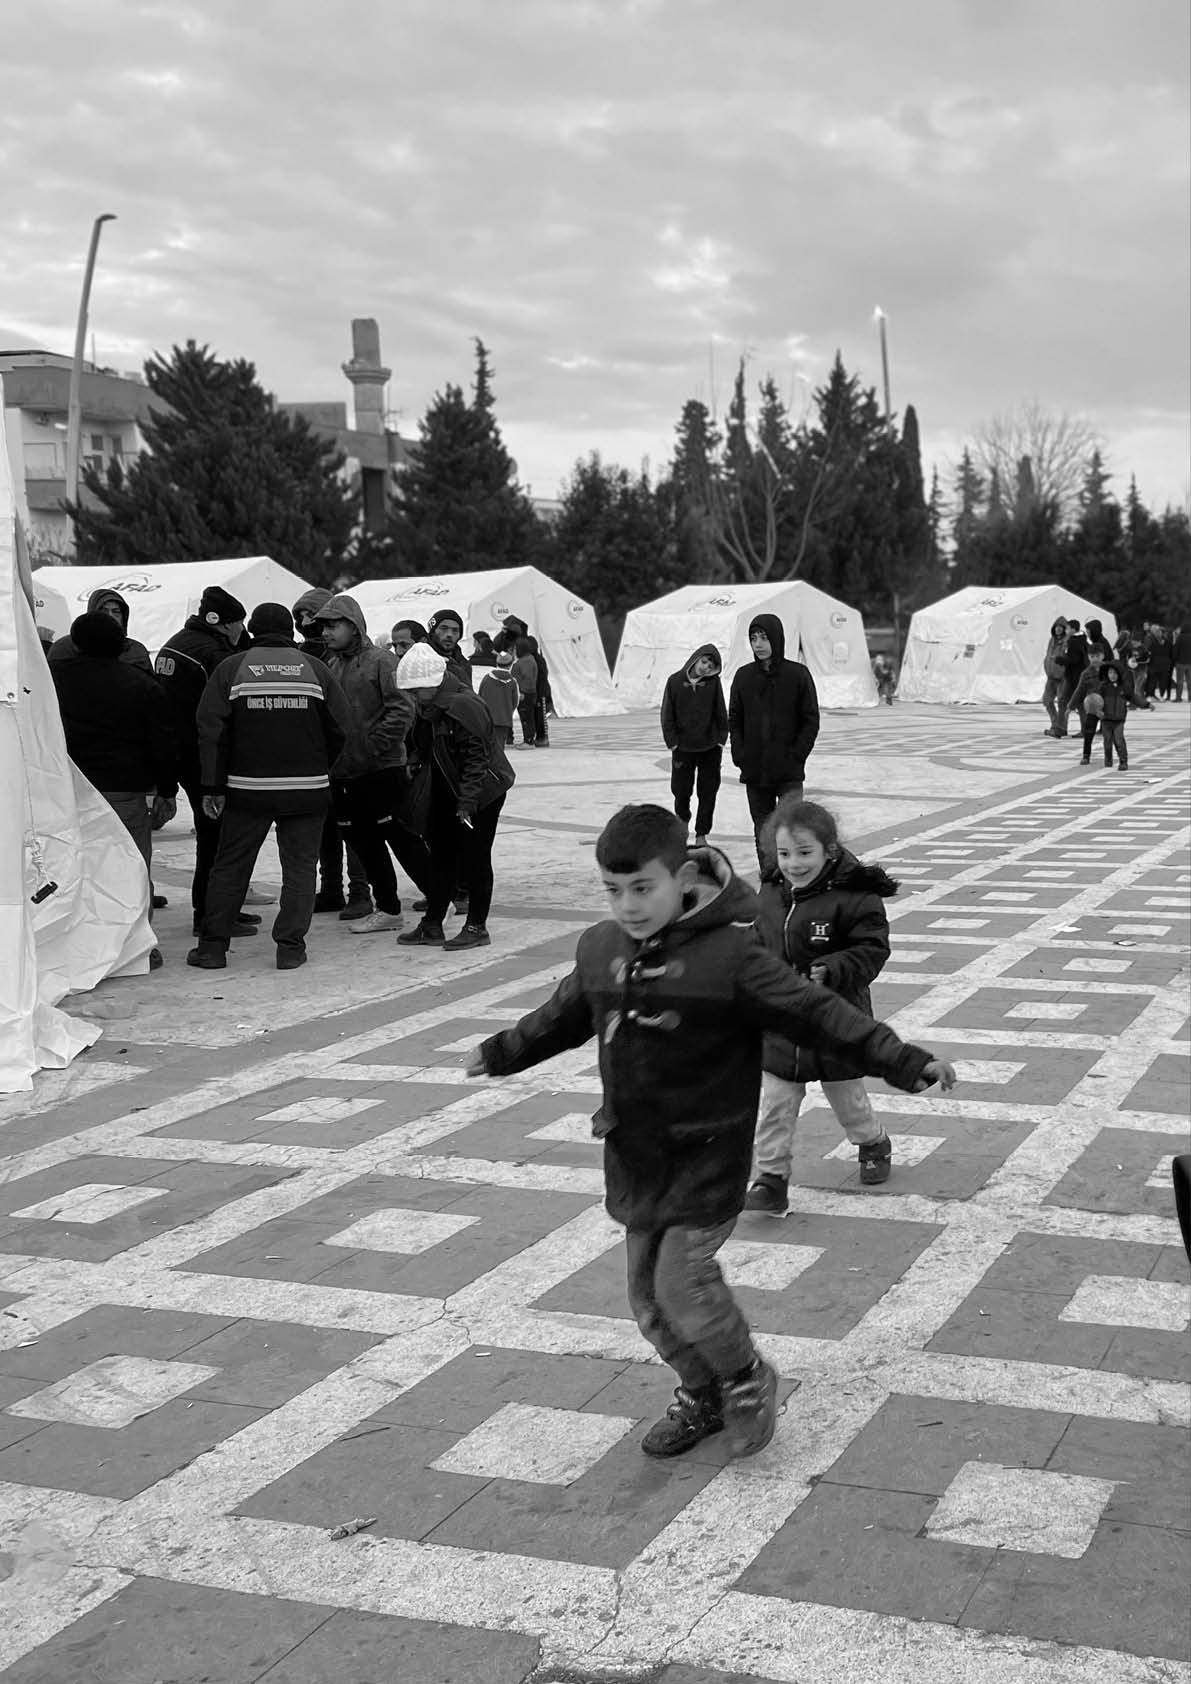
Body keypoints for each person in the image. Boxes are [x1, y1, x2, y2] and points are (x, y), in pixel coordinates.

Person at [465, 805, 955, 1460]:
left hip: (706, 1152)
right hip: (636, 1154)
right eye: (614, 891)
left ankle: (747, 1378)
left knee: (679, 1282)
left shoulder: (730, 956)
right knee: (646, 1302)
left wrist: (902, 1059)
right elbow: (559, 1018)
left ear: (683, 876)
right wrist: (500, 1052)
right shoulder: (601, 949)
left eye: (643, 888)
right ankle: (702, 1392)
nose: (628, 906)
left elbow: (815, 1014)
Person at [745, 800, 905, 1212]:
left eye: (804, 853)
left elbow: (872, 949)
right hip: (781, 1020)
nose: (793, 864)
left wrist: (834, 969)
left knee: (846, 1096)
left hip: (835, 1019)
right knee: (776, 1103)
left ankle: (872, 1141)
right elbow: (757, 943)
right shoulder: (771, 893)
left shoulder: (855, 897)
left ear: (829, 850)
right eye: (784, 854)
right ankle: (770, 1177)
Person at [188, 604, 352, 971]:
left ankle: (213, 948)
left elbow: (210, 732)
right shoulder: (315, 669)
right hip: (308, 790)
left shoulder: (232, 668)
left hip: (247, 791)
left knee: (230, 867)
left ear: (253, 629)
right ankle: (290, 948)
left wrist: (212, 785)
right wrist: (319, 767)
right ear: (290, 630)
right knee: (300, 869)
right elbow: (342, 727)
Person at [50, 610, 178, 971]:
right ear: (122, 645)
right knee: (132, 868)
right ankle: (138, 947)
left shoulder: (51, 680)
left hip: (68, 791)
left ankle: (77, 947)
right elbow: (163, 742)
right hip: (124, 790)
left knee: (74, 868)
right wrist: (167, 790)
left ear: (74, 644)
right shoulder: (141, 684)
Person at [314, 594, 431, 932]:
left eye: (333, 625)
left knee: (402, 838)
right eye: (323, 626)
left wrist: (371, 748)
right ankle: (389, 908)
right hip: (343, 773)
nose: (326, 632)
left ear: (354, 626)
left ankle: (440, 896)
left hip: (382, 769)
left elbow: (402, 710)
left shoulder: (381, 662)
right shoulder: (330, 665)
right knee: (364, 844)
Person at [395, 643, 515, 950]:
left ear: (431, 684)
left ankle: (477, 926)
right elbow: (423, 743)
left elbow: (477, 761)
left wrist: (466, 805)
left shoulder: (464, 705)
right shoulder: (430, 707)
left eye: (414, 690)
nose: (411, 697)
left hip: (480, 792)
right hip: (448, 786)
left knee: (474, 859)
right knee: (441, 857)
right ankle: (432, 924)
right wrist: (414, 758)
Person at [155, 585, 259, 939]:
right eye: (238, 624)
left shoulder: (177, 643)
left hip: (181, 754)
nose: (241, 631)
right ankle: (211, 915)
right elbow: (229, 709)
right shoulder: (212, 655)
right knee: (218, 840)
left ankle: (220, 908)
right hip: (207, 758)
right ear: (225, 624)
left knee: (211, 838)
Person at [294, 588, 371, 919]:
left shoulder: (374, 660)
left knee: (354, 831)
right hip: (324, 759)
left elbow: (395, 709)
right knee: (326, 828)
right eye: (302, 618)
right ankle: (330, 889)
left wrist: (374, 747)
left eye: (322, 621)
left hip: (359, 759)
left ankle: (360, 892)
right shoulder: (317, 658)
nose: (309, 625)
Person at [729, 614, 820, 871]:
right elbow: (734, 718)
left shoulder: (798, 674)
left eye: (764, 638)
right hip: (755, 769)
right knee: (762, 828)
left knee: (791, 827)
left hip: (788, 770)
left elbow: (810, 719)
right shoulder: (744, 676)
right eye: (753, 638)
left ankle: (793, 876)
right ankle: (770, 879)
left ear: (777, 639)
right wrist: (740, 754)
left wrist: (798, 754)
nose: (758, 644)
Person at [660, 642, 728, 845]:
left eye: (710, 666)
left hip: (710, 748)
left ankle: (701, 834)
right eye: (704, 661)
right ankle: (682, 825)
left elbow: (720, 712)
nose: (705, 667)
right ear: (696, 657)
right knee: (681, 791)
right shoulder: (674, 681)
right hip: (683, 748)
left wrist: (721, 740)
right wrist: (672, 742)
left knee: (708, 792)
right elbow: (667, 713)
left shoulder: (713, 684)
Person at [47, 586, 153, 673]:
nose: (110, 616)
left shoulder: (135, 651)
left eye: (116, 612)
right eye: (103, 610)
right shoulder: (64, 648)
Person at [1070, 648, 1108, 763]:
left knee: (1110, 732)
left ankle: (1112, 755)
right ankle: (1086, 755)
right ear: (1088, 657)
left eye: (1097, 656)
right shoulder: (1086, 673)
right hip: (1092, 706)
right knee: (1089, 731)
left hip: (1107, 706)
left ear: (1102, 656)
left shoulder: (1109, 670)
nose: (1095, 659)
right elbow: (1079, 690)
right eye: (1092, 656)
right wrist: (1070, 706)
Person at [478, 649, 520, 745]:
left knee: (488, 745)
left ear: (497, 663)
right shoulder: (512, 682)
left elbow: (480, 697)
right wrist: (508, 710)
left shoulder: (487, 678)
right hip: (504, 719)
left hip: (487, 718)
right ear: (510, 664)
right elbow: (515, 701)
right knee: (500, 746)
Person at [1055, 619, 1088, 738]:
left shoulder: (1075, 641)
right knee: (1077, 703)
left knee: (1065, 701)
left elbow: (1075, 660)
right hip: (1076, 676)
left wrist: (1061, 660)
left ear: (1073, 629)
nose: (1066, 630)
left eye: (1067, 628)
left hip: (1074, 677)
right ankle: (1083, 729)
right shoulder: (1083, 640)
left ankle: (1061, 729)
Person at [426, 608, 474, 689]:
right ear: (433, 631)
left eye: (455, 630)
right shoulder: (421, 660)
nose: (449, 634)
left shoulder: (463, 664)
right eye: (444, 628)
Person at [1099, 660, 1131, 770]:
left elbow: (1134, 697)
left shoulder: (1124, 687)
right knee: (1107, 742)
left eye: (1115, 673)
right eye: (1110, 673)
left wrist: (1146, 704)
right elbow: (1096, 701)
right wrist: (1097, 711)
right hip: (1106, 720)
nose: (1112, 675)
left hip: (1119, 719)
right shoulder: (1103, 687)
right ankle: (1108, 759)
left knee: (1119, 740)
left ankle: (1123, 761)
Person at [1041, 617, 1069, 737]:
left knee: (1062, 703)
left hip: (1062, 677)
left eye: (1060, 627)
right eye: (1056, 627)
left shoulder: (1067, 641)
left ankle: (1061, 727)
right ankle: (1055, 723)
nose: (1058, 629)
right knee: (1047, 700)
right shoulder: (1051, 640)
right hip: (1051, 676)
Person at [510, 636, 539, 748]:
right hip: (523, 693)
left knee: (527, 718)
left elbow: (528, 679)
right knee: (525, 717)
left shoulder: (526, 661)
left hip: (524, 694)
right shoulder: (526, 660)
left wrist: (522, 692)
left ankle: (529, 740)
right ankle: (528, 739)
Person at [526, 633, 552, 745]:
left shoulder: (538, 660)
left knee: (541, 716)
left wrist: (540, 693)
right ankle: (538, 736)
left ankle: (543, 737)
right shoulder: (532, 659)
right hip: (535, 691)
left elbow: (542, 678)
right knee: (536, 716)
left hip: (540, 692)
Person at [1146, 624, 1172, 701]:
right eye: (1157, 632)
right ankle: (1155, 695)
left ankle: (1155, 695)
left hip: (1158, 664)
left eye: (1159, 632)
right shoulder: (1167, 642)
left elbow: (1149, 652)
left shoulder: (1153, 642)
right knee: (1157, 681)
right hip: (1160, 664)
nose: (1158, 634)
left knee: (1158, 681)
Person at [1173, 623, 1191, 702]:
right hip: (1190, 663)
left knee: (1179, 681)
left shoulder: (1180, 637)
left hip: (1180, 662)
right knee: (1190, 681)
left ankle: (1178, 697)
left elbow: (1176, 650)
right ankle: (1190, 698)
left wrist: (1175, 659)